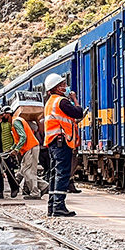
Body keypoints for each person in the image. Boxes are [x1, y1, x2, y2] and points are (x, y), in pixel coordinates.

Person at [43, 73, 82, 217]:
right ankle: (59, 206)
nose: (66, 87)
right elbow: (78, 112)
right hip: (61, 142)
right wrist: (74, 99)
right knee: (62, 174)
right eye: (64, 85)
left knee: (54, 174)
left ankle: (52, 206)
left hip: (53, 143)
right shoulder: (61, 101)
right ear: (58, 88)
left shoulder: (50, 102)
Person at [11, 111, 47, 199]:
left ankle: (35, 193)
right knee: (25, 171)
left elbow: (23, 137)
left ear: (7, 114)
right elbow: (18, 139)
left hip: (30, 147)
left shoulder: (15, 122)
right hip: (30, 148)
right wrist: (12, 148)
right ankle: (44, 186)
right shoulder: (16, 122)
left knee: (28, 172)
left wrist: (16, 149)